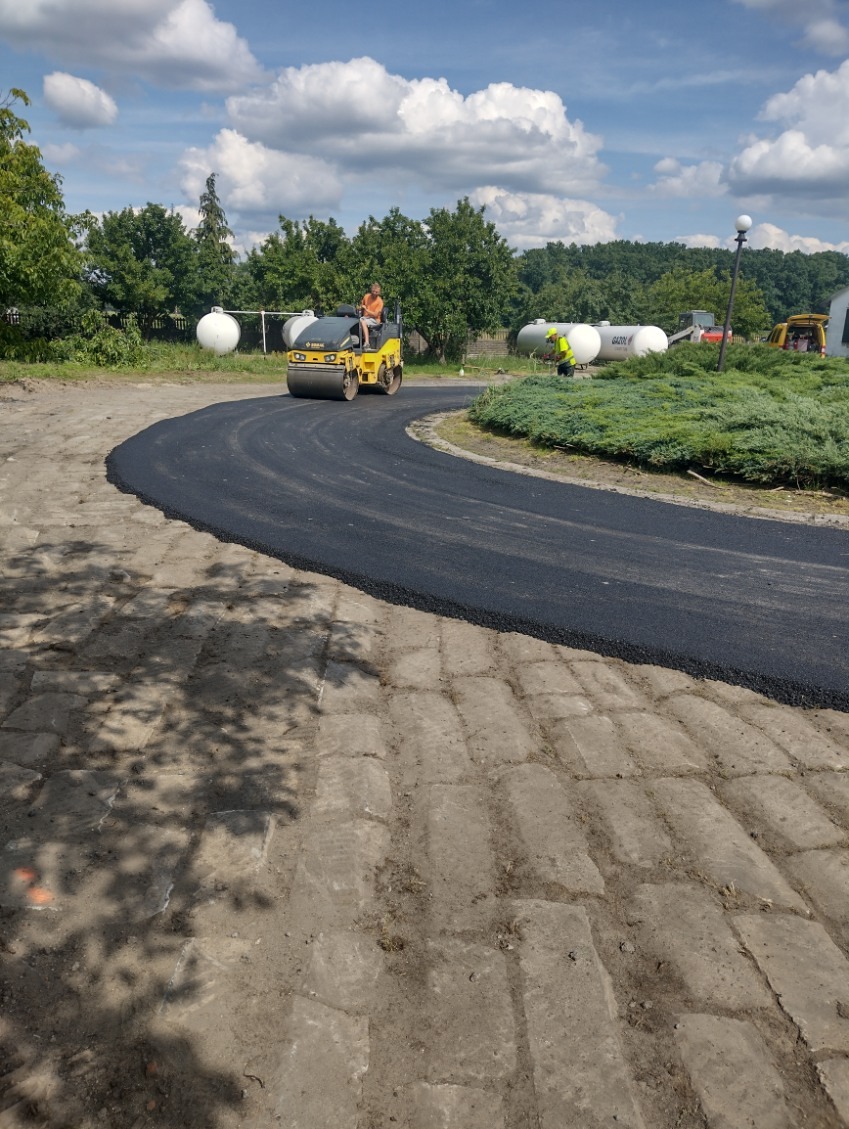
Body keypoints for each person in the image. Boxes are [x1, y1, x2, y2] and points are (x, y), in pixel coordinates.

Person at [358, 283, 384, 348]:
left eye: (376, 292)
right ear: (371, 291)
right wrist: (360, 307)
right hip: (365, 317)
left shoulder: (379, 301)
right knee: (358, 321)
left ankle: (367, 342)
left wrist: (366, 310)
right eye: (373, 292)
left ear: (379, 293)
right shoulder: (366, 296)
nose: (375, 294)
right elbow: (361, 306)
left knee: (363, 322)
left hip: (375, 319)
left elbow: (375, 314)